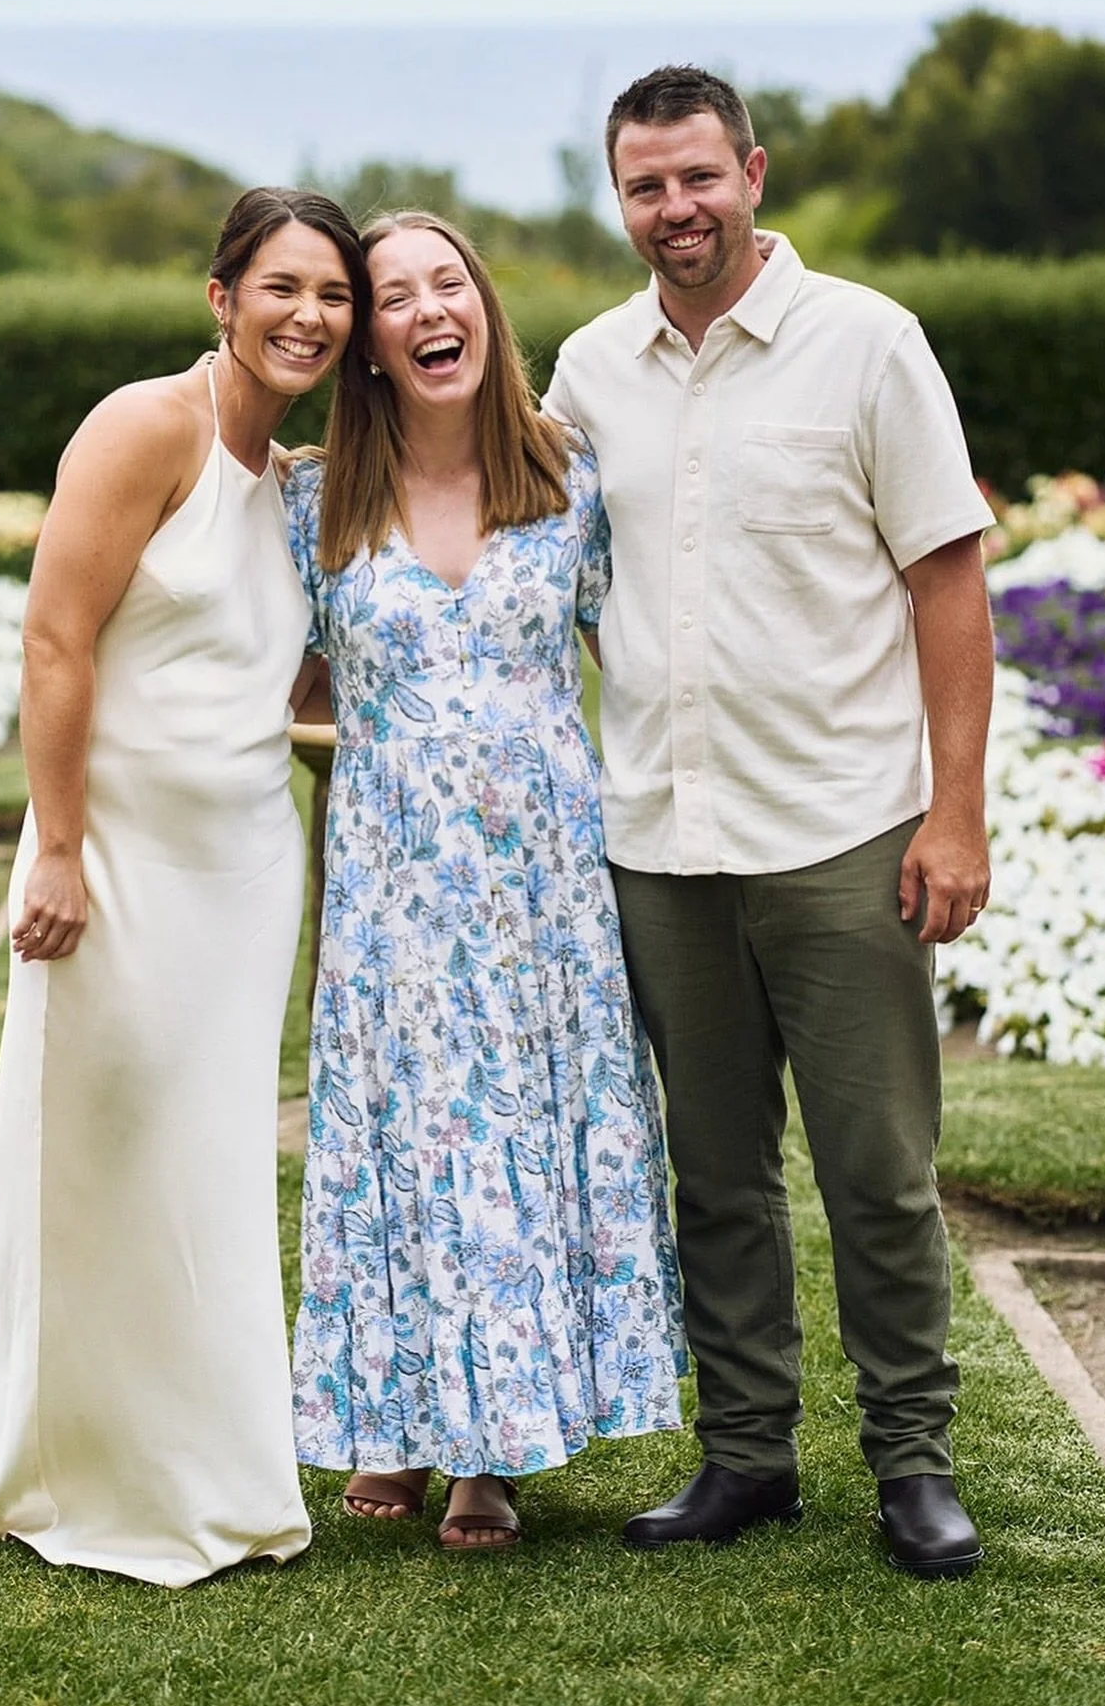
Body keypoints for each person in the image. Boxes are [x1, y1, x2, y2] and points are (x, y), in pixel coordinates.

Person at [542, 67, 997, 1579]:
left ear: (750, 171)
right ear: (617, 197)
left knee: (876, 1168)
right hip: (659, 846)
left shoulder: (866, 343)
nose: (673, 212)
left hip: (842, 831)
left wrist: (956, 817)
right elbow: (537, 559)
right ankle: (745, 1456)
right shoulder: (589, 369)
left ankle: (911, 1467)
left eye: (696, 180)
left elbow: (945, 581)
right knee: (712, 1176)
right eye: (642, 188)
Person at [0, 187, 368, 1587]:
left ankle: (224, 1473)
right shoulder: (144, 427)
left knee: (209, 1162)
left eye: (334, 295)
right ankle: (87, 1470)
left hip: (247, 867)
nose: (309, 315)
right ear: (221, 297)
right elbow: (56, 642)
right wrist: (57, 845)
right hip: (112, 861)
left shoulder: (304, 484)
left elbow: (287, 672)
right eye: (283, 288)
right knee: (99, 1148)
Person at [283, 211, 684, 1552]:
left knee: (512, 1142)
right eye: (391, 297)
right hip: (394, 888)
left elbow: (651, 649)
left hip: (541, 893)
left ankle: (486, 1457)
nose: (424, 309)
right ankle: (391, 1421)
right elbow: (250, 669)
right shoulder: (312, 500)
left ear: (483, 308)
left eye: (445, 282)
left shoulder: (569, 481)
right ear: (370, 344)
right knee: (405, 1144)